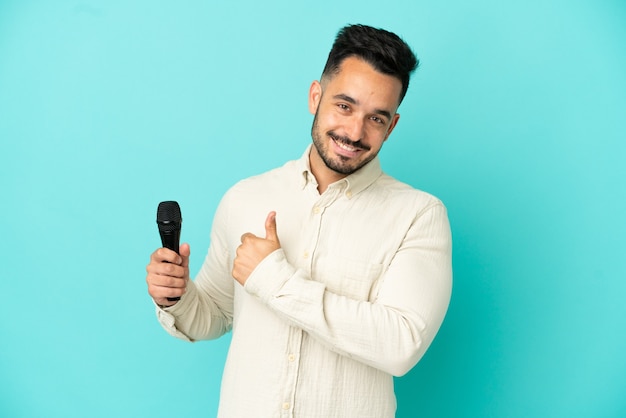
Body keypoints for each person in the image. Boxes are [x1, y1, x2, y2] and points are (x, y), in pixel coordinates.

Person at [146, 24, 452, 418]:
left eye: (376, 119)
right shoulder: (245, 198)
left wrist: (275, 280)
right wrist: (176, 296)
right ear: (315, 96)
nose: (354, 132)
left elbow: (401, 345)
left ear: (391, 126)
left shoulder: (418, 216)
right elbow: (215, 314)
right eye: (344, 106)